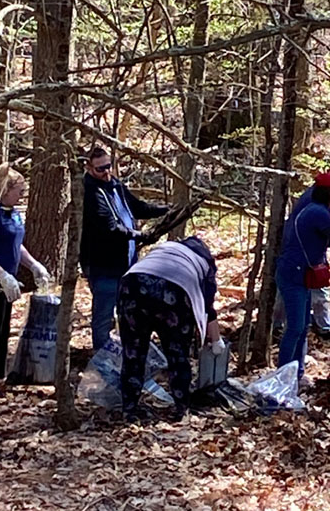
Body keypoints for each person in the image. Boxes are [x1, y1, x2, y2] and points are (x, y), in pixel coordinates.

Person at [118, 236, 223, 422]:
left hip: (132, 284)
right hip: (175, 290)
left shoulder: (164, 248)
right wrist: (215, 340)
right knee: (177, 354)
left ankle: (129, 408)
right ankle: (181, 408)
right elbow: (208, 306)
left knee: (133, 352)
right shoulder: (205, 264)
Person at [0, 163, 50, 397]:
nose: (22, 195)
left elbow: (16, 245)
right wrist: (2, 275)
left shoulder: (13, 214)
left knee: (4, 330)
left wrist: (33, 265)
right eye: (19, 191)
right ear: (6, 190)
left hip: (7, 280)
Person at [276, 171, 330, 386]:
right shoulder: (318, 213)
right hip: (294, 274)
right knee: (295, 327)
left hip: (302, 275)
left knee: (302, 326)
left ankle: (296, 373)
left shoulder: (315, 209)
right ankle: (283, 378)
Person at [79, 147, 169, 351]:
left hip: (126, 264)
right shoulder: (91, 192)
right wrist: (139, 235)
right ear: (90, 168)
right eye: (100, 169)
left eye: (109, 166)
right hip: (103, 266)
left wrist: (165, 210)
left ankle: (124, 353)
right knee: (103, 315)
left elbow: (137, 207)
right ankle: (101, 359)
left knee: (128, 312)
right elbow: (109, 227)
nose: (106, 172)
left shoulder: (115, 185)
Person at [279, 169, 330, 339]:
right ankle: (323, 327)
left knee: (288, 294)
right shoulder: (317, 209)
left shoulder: (313, 199)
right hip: (303, 257)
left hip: (293, 251)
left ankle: (278, 325)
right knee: (315, 291)